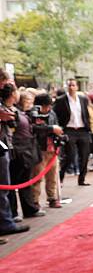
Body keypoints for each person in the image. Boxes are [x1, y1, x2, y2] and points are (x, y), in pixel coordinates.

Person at [0, 74, 29, 237]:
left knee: (6, 187)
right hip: (6, 146)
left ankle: (7, 220)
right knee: (4, 188)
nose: (5, 87)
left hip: (5, 147)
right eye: (4, 83)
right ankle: (6, 222)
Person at [8, 90, 44, 219]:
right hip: (17, 150)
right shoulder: (12, 112)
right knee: (13, 182)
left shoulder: (23, 113)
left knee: (25, 181)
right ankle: (13, 212)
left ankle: (29, 209)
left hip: (27, 149)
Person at [53, 79, 92, 186]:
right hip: (69, 131)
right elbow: (55, 114)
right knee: (70, 156)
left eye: (73, 85)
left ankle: (82, 179)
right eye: (69, 85)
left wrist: (89, 127)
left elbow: (86, 114)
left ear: (77, 87)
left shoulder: (83, 99)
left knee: (84, 156)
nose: (71, 87)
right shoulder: (61, 100)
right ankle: (60, 178)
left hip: (83, 130)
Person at [31, 93, 63, 209]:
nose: (48, 108)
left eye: (49, 106)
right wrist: (51, 129)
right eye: (46, 106)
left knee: (52, 176)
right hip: (40, 149)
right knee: (37, 176)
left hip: (52, 149)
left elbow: (57, 127)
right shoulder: (33, 114)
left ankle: (52, 198)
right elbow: (34, 129)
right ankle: (34, 201)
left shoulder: (52, 113)